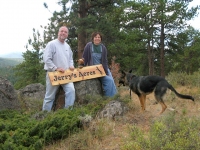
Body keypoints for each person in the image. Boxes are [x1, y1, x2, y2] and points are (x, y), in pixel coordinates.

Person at [42, 26, 75, 111]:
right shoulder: (52, 44)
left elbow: (70, 59)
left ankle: (67, 113)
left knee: (71, 91)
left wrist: (71, 66)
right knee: (49, 97)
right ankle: (45, 116)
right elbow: (46, 59)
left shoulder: (67, 46)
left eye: (65, 32)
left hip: (65, 75)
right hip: (53, 74)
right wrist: (55, 68)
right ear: (58, 33)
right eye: (61, 31)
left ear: (67, 35)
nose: (63, 33)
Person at [82, 32, 117, 97]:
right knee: (109, 80)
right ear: (93, 38)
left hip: (103, 68)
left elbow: (105, 61)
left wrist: (106, 71)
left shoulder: (103, 48)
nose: (97, 38)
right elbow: (84, 58)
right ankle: (109, 98)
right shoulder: (89, 46)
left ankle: (114, 98)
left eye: (99, 37)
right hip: (94, 70)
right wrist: (81, 67)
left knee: (112, 80)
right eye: (95, 37)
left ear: (101, 39)